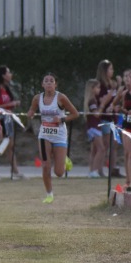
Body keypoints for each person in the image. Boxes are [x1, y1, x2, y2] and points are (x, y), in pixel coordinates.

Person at [27, 74, 79, 203]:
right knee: (45, 165)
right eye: (46, 81)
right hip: (44, 134)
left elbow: (75, 114)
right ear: (42, 84)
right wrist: (30, 114)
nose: (49, 83)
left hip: (60, 135)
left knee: (59, 172)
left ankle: (63, 159)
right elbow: (31, 110)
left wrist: (62, 119)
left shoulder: (61, 98)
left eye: (51, 81)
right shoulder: (37, 98)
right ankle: (49, 194)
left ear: (55, 84)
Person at [0, 65, 24, 179]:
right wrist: (10, 104)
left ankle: (15, 171)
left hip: (8, 120)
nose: (10, 74)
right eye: (8, 72)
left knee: (10, 146)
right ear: (3, 75)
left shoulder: (7, 89)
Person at [95, 59, 121, 177]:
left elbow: (116, 100)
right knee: (105, 145)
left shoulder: (113, 83)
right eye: (110, 69)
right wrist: (111, 93)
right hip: (104, 118)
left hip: (113, 119)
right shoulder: (100, 84)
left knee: (114, 144)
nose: (112, 71)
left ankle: (113, 169)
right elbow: (101, 100)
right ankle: (99, 170)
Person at [83, 79, 105, 178]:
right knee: (101, 149)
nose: (99, 89)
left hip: (91, 127)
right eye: (98, 87)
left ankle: (91, 171)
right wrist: (103, 105)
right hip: (94, 127)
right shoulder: (92, 100)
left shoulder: (92, 100)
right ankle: (94, 171)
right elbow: (96, 114)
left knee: (94, 150)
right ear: (92, 89)